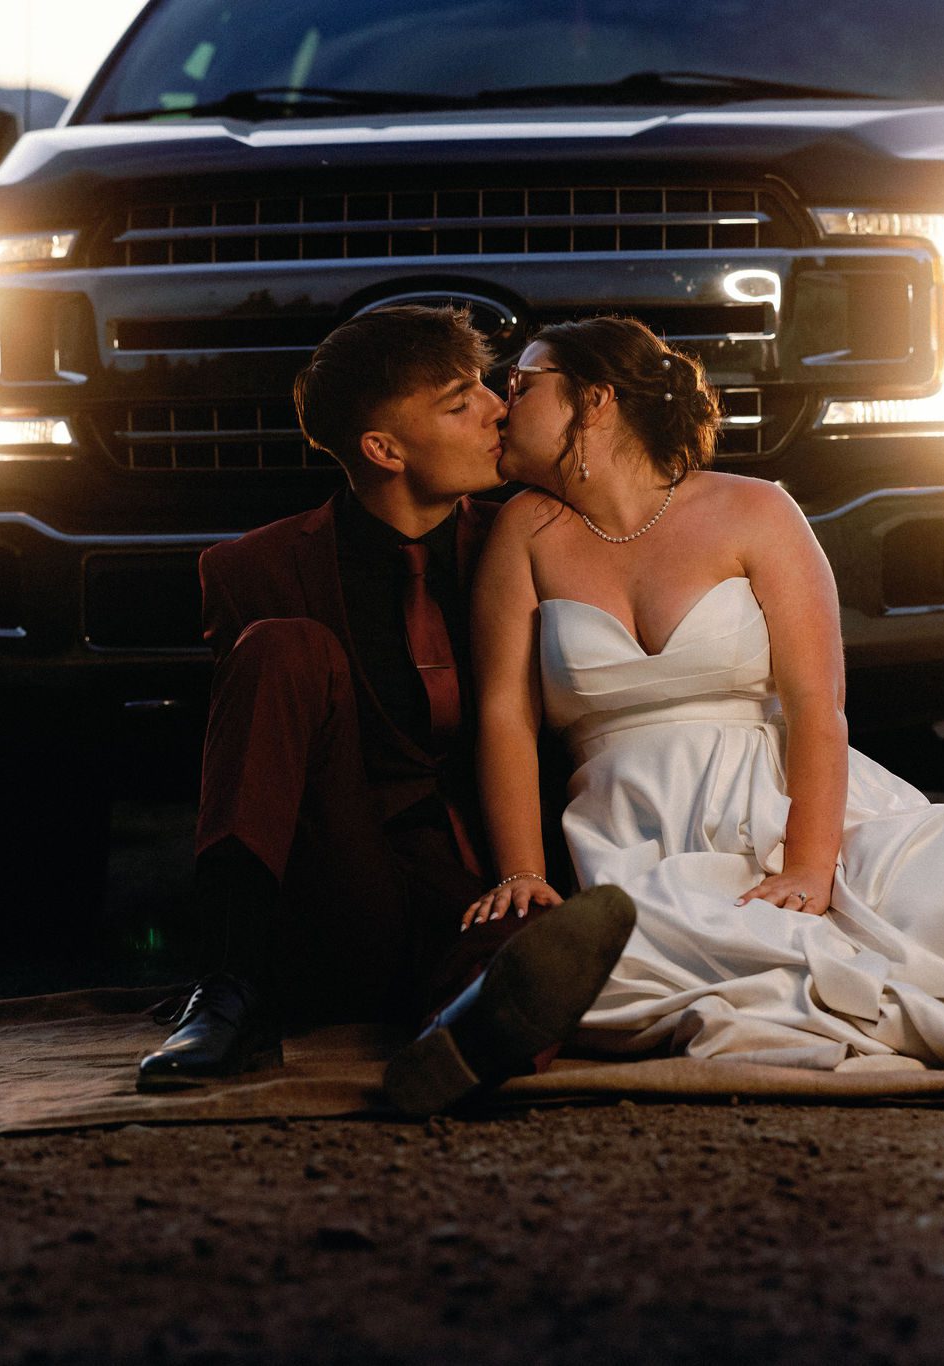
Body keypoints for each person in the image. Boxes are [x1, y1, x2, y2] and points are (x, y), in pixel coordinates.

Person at [469, 315, 944, 1069]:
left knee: (910, 906)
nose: (502, 405)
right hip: (635, 831)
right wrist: (524, 873)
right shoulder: (523, 535)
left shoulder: (757, 511)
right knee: (643, 983)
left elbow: (815, 704)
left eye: (522, 385)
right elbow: (504, 716)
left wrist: (808, 866)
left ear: (596, 399)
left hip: (784, 792)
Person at [138, 305, 635, 1112]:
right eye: (457, 401)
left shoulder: (534, 537)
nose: (496, 407)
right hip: (345, 889)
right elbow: (260, 778)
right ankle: (229, 989)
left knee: (530, 955)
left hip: (491, 884)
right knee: (280, 645)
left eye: (484, 385)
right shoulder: (251, 570)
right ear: (383, 450)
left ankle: (463, 1036)